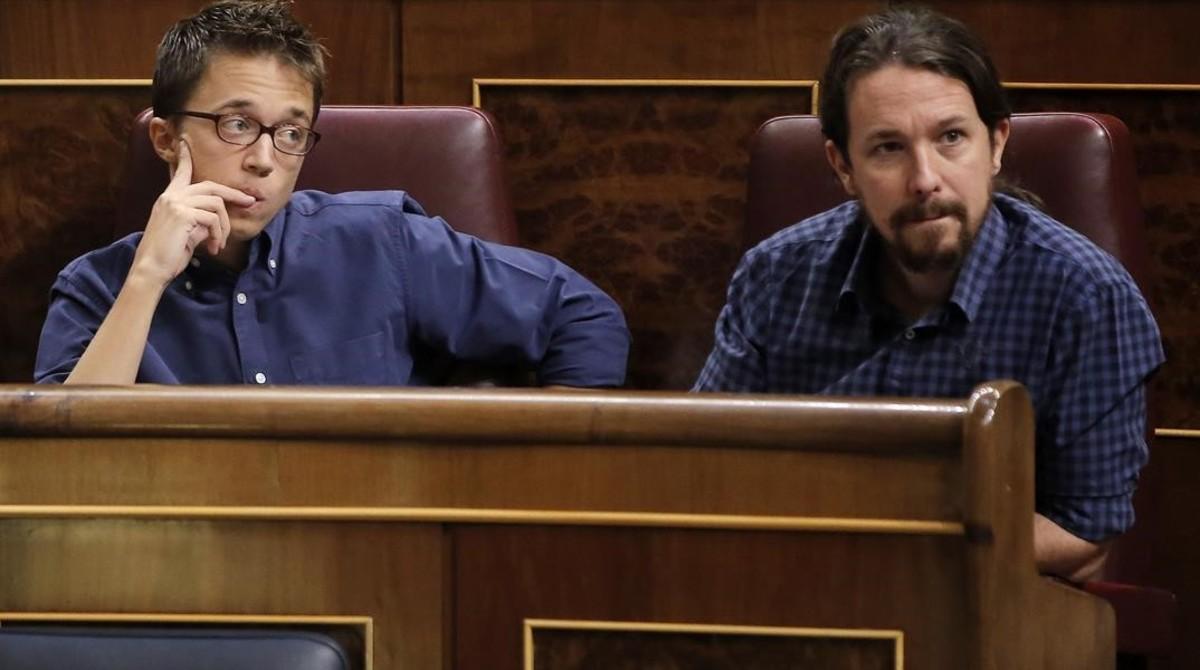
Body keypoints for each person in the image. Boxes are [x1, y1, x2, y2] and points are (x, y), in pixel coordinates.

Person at [694, 6, 1164, 582]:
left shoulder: (1088, 298)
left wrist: (889, 552)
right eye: (887, 148)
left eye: (950, 138)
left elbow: (1085, 536)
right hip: (791, 593)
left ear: (995, 145)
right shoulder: (773, 278)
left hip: (982, 610)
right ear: (842, 166)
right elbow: (709, 472)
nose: (925, 180)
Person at [35, 0, 628, 388]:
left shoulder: (383, 242)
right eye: (237, 125)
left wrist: (531, 484)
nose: (265, 161)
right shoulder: (97, 288)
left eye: (290, 133)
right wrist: (145, 284)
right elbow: (69, 466)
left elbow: (582, 315)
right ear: (167, 139)